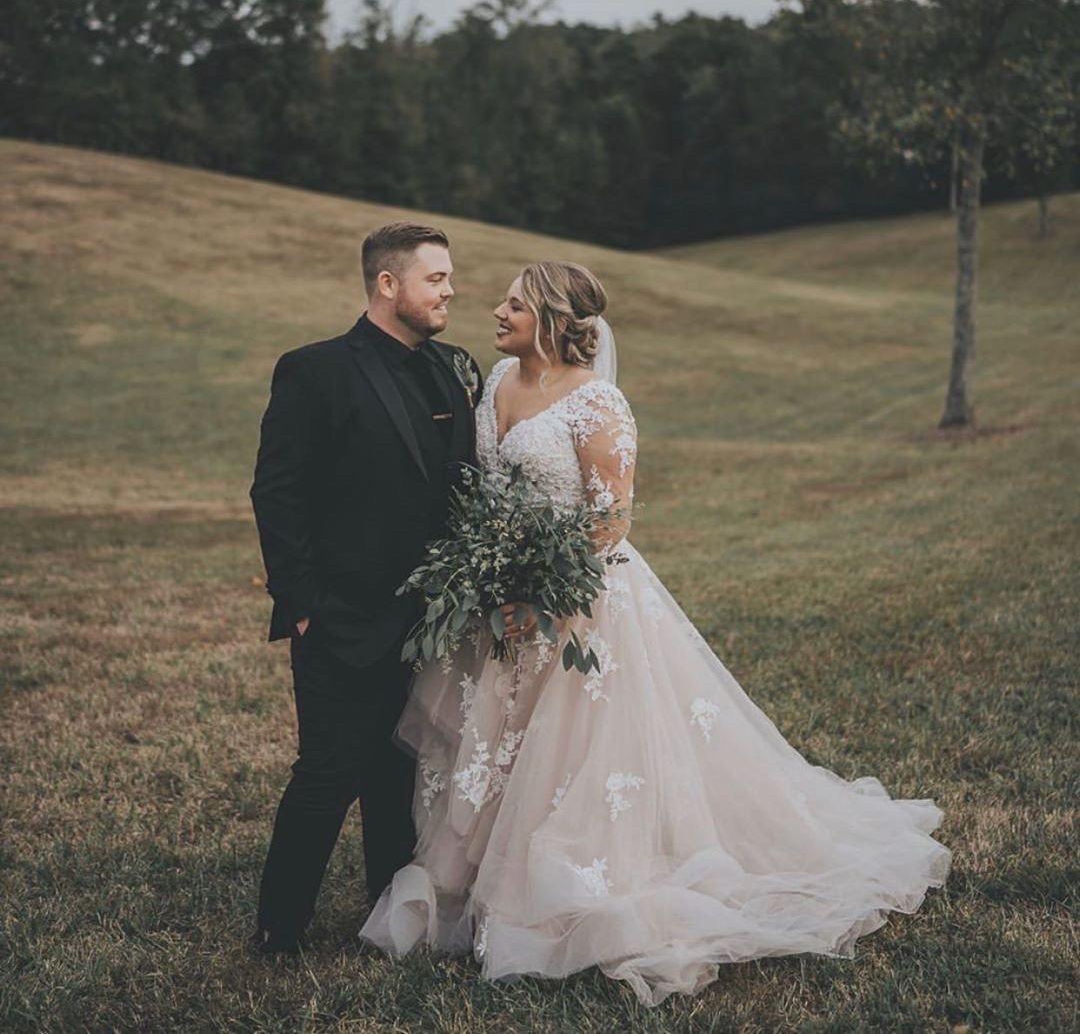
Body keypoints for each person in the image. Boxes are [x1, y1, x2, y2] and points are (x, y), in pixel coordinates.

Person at [360, 260, 951, 1005]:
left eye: (514, 304)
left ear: (551, 319)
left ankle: (577, 884)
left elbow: (610, 519)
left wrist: (540, 599)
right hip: (501, 604)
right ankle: (474, 877)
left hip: (578, 602)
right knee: (495, 740)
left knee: (577, 750)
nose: (497, 312)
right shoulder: (497, 383)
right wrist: (492, 579)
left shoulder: (597, 402)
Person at [248, 222, 482, 956]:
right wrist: (303, 605)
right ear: (388, 283)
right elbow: (277, 492)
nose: (450, 291)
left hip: (434, 621)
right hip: (342, 615)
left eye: (449, 278)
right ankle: (278, 931)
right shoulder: (315, 370)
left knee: (400, 771)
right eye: (435, 278)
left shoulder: (456, 367)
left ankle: (388, 911)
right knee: (328, 771)